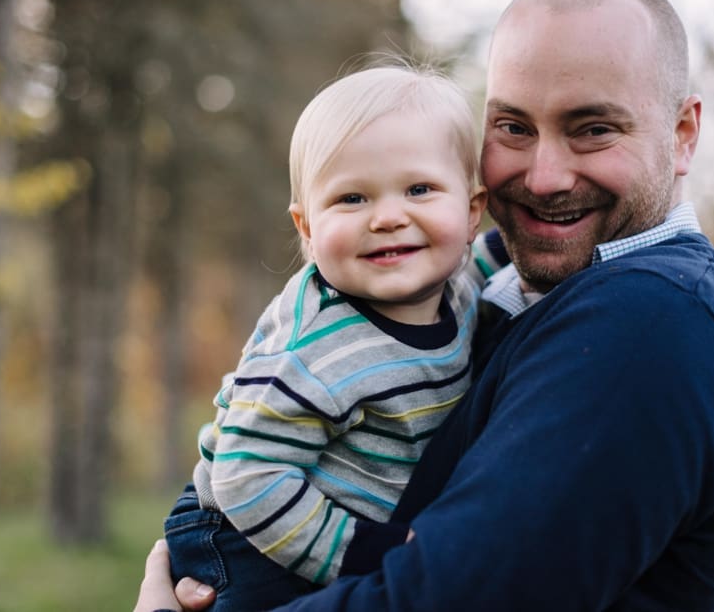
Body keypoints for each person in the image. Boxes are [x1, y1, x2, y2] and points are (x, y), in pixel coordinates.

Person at [136, 0, 714, 611]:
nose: (543, 177)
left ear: (683, 134)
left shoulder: (652, 322)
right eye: (514, 128)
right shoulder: (512, 284)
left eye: (594, 129)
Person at [161, 63, 507, 611]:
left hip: (317, 522)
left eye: (419, 189)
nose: (389, 217)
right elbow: (248, 476)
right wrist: (364, 551)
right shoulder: (314, 351)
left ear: (471, 213)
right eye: (352, 199)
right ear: (307, 228)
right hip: (247, 530)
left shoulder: (454, 286)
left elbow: (488, 261)